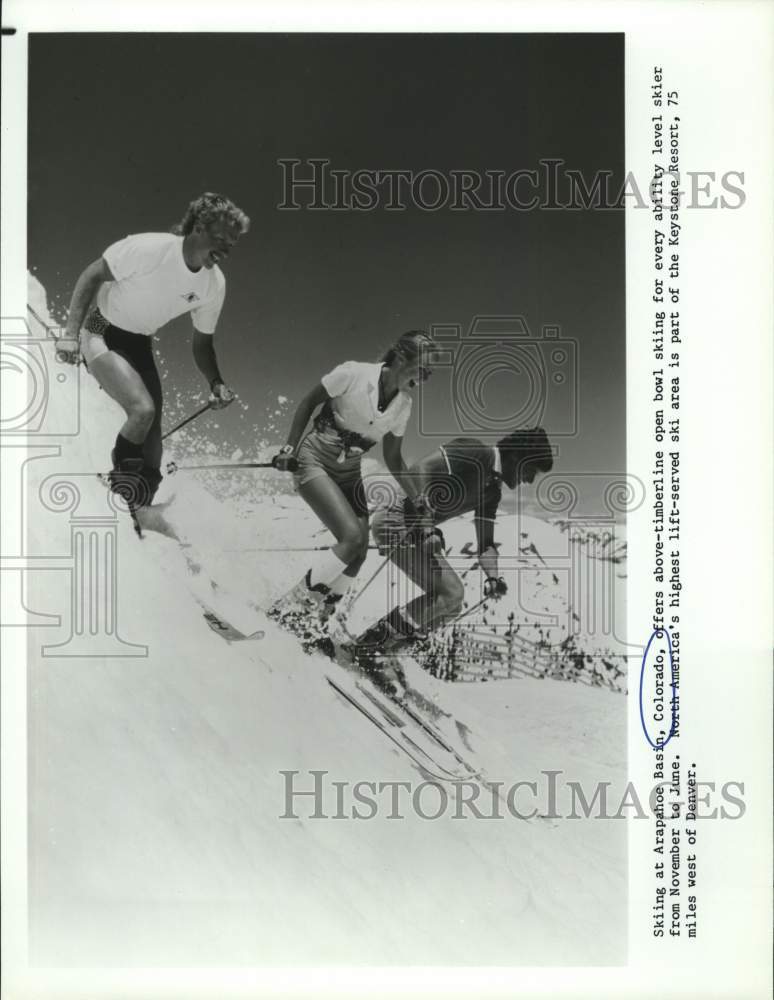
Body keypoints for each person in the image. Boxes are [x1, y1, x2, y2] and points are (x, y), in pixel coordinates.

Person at [59, 192, 249, 507]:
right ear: (200, 226)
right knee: (142, 410)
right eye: (222, 238)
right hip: (102, 331)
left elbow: (202, 343)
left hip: (139, 344)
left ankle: (141, 505)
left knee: (153, 445)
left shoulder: (214, 285)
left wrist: (216, 382)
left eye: (232, 243)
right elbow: (92, 275)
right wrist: (69, 334)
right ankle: (120, 493)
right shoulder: (150, 249)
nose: (227, 249)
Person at [345, 427, 554, 693]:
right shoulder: (476, 452)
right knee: (452, 592)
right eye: (531, 470)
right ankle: (371, 646)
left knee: (451, 606)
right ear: (518, 458)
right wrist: (427, 524)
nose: (530, 480)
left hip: (418, 530)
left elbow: (486, 544)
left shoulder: (492, 491)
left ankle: (386, 650)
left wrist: (493, 578)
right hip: (396, 521)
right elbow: (421, 470)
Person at [271, 330, 437, 624]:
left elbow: (394, 457)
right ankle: (285, 609)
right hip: (315, 458)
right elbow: (308, 403)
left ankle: (318, 619)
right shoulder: (353, 373)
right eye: (422, 369)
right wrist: (289, 448)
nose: (424, 379)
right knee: (351, 538)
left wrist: (419, 498)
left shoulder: (404, 406)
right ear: (401, 357)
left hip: (349, 471)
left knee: (360, 551)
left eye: (429, 374)